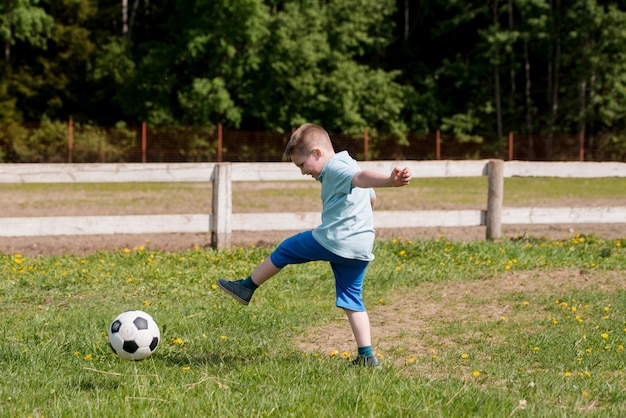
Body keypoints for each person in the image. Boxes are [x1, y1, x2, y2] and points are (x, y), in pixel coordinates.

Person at [217, 123, 412, 367]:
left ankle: (246, 287)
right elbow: (371, 199)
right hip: (360, 247)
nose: (302, 172)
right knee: (353, 299)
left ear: (317, 153)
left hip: (335, 239)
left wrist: (390, 180)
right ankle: (367, 356)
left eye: (301, 165)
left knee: (286, 249)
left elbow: (361, 179)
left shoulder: (335, 167)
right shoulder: (349, 162)